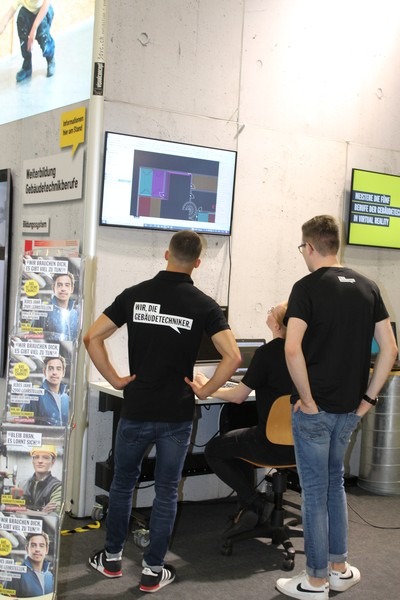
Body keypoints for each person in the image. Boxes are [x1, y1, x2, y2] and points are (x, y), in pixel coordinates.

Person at [84, 230, 241, 593]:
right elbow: (233, 357)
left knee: (123, 483)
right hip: (176, 414)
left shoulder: (135, 295)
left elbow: (91, 337)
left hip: (137, 408)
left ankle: (111, 559)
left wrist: (116, 379)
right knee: (167, 490)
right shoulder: (204, 304)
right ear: (197, 262)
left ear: (167, 254)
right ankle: (153, 571)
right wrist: (206, 390)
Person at [276, 215, 398, 600]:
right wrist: (367, 400)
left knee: (315, 492)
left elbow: (291, 348)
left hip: (315, 411)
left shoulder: (306, 287)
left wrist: (308, 399)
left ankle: (315, 581)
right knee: (334, 485)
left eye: (302, 248)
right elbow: (390, 349)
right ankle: (339, 569)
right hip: (349, 409)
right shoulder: (368, 286)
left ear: (310, 247)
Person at [192, 302, 294, 534]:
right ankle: (248, 508)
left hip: (270, 445)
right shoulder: (307, 352)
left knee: (215, 449)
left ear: (277, 325)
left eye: (271, 311)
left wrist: (208, 387)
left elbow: (238, 396)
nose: (268, 313)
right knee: (239, 436)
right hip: (303, 446)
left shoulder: (267, 353)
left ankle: (255, 503)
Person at [0, 1, 55, 83]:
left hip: (43, 12)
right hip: (29, 14)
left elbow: (46, 3)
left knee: (44, 40)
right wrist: (2, 26)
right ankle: (27, 66)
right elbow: (7, 16)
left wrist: (34, 29)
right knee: (22, 16)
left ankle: (50, 59)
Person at [2, 532, 54, 597]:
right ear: (27, 548)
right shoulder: (16, 575)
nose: (37, 549)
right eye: (33, 545)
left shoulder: (50, 576)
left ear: (46, 550)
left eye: (41, 546)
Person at [18, 445, 62, 513]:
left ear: (53, 461)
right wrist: (42, 513)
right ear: (33, 460)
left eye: (45, 457)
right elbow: (15, 510)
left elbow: (54, 514)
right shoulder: (22, 485)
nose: (40, 461)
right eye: (36, 457)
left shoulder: (57, 487)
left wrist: (25, 511)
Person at [29, 355, 69, 426]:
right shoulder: (35, 396)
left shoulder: (67, 399)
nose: (54, 372)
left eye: (58, 369)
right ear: (44, 371)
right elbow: (24, 426)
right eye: (50, 369)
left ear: (63, 373)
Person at [42, 272, 79, 341]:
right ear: (53, 288)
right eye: (59, 285)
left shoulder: (75, 314)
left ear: (72, 289)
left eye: (67, 285)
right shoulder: (44, 312)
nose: (63, 289)